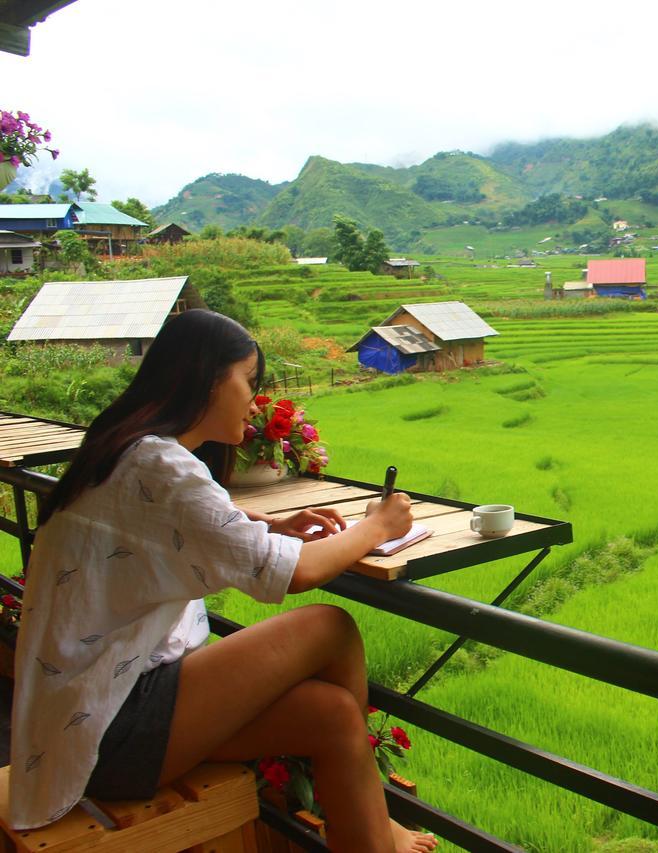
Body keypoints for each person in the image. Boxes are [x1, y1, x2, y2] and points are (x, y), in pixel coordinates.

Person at [11, 309, 436, 853]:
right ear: (210, 380)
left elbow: (166, 530)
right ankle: (376, 831)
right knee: (330, 626)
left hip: (89, 721)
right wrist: (380, 524)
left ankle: (373, 829)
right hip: (110, 729)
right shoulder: (159, 464)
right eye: (249, 381)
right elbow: (298, 572)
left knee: (332, 718)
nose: (256, 402)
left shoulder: (128, 449)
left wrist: (263, 525)